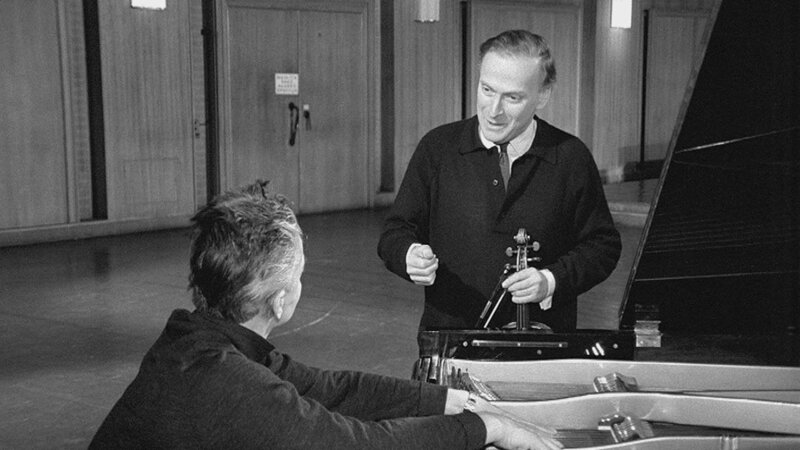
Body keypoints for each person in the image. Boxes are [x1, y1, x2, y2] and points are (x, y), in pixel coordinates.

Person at [89, 180, 561, 450]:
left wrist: (449, 401)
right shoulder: (226, 383)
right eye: (299, 274)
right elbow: (356, 444)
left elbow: (331, 389)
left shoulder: (199, 339)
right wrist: (490, 428)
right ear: (280, 301)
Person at [378, 30, 621, 342]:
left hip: (543, 345)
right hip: (450, 340)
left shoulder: (571, 157)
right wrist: (408, 254)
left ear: (543, 95)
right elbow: (395, 231)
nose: (493, 111)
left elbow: (602, 246)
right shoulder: (436, 148)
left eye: (512, 98)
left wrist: (551, 280)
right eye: (487, 90)